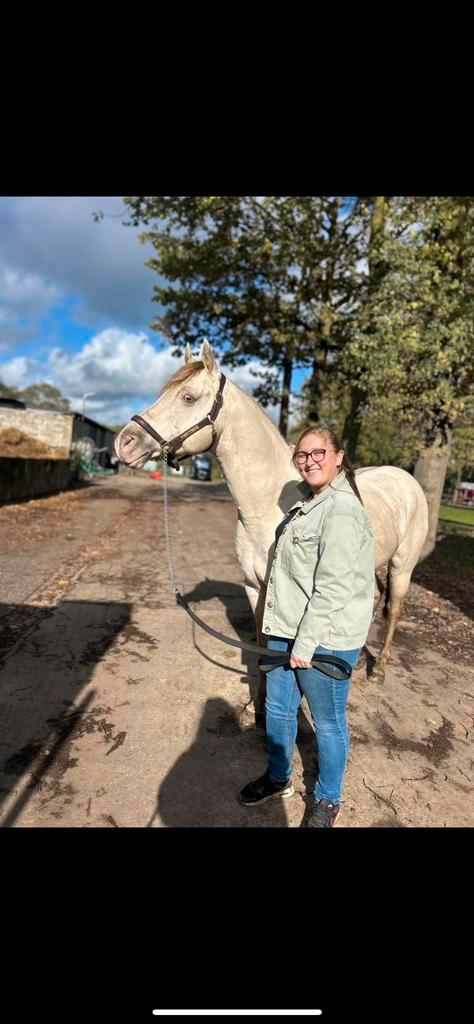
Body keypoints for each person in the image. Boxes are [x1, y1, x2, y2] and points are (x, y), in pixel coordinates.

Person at [240, 425, 375, 827]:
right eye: (302, 455)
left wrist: (307, 642)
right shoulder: (306, 503)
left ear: (338, 456)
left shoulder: (343, 510)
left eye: (319, 453)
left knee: (327, 722)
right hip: (286, 628)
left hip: (324, 638)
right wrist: (281, 631)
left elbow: (333, 588)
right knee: (278, 709)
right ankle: (279, 777)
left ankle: (329, 799)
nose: (310, 460)